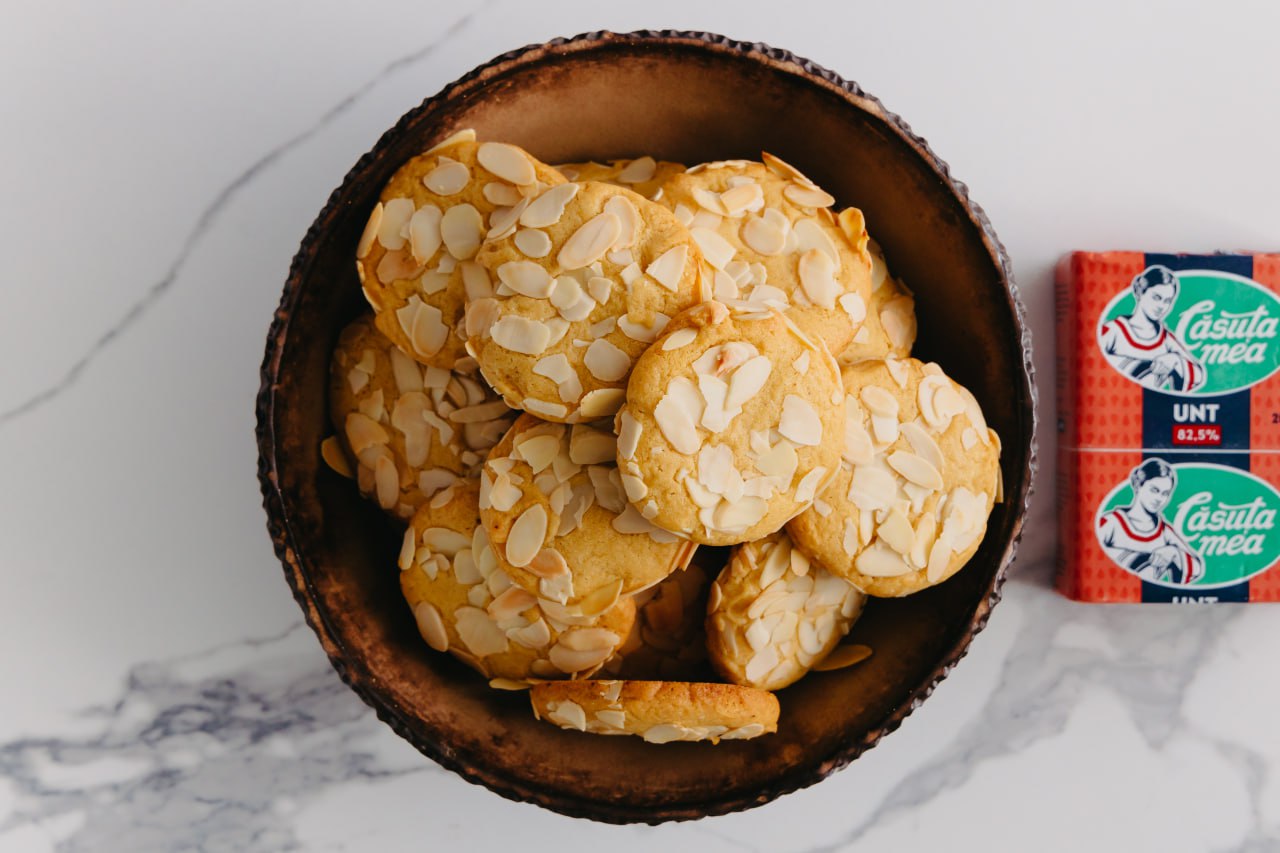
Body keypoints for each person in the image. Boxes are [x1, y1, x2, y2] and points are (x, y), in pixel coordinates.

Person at [1099, 265, 1206, 392]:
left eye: (1167, 301)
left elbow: (1198, 375)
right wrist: (1144, 367)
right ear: (1140, 292)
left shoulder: (1165, 338)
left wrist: (1175, 360)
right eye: (1156, 298)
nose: (1161, 306)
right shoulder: (1114, 330)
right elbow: (1093, 363)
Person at [1096, 458, 1203, 584]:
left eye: (1165, 494)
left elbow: (1196, 568)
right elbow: (1092, 557)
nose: (1159, 498)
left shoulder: (1164, 531)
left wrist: (1174, 552)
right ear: (1137, 485)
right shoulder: (1112, 522)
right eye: (1154, 490)